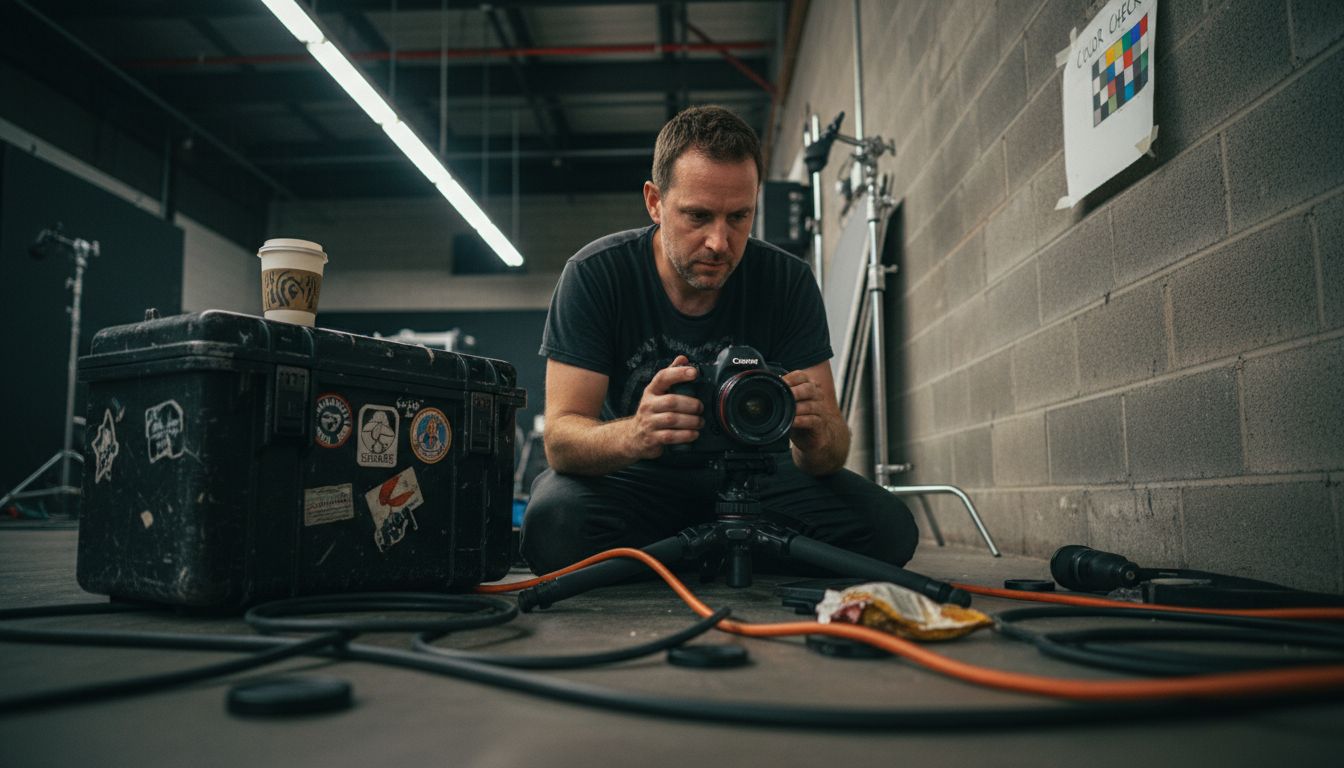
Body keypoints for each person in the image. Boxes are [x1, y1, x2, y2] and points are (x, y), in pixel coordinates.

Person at [519, 105, 917, 576]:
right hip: (637, 479)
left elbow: (829, 453)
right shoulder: (595, 275)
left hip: (757, 479)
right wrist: (637, 432)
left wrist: (815, 434)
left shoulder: (787, 281)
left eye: (739, 217)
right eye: (698, 216)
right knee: (552, 525)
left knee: (888, 530)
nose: (719, 242)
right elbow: (561, 440)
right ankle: (734, 550)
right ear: (654, 202)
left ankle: (679, 554)